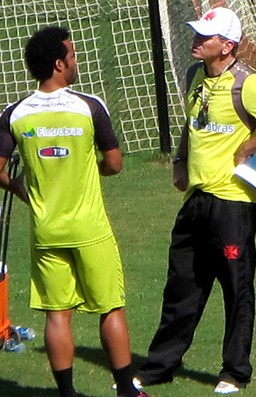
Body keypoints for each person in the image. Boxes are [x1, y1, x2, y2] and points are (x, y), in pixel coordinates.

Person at [135, 6, 256, 395]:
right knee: (181, 284)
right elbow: (192, 124)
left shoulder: (248, 84)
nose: (195, 41)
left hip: (232, 204)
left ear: (227, 46)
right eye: (196, 34)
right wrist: (179, 160)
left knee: (236, 286)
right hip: (197, 198)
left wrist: (248, 146)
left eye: (204, 37)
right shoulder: (195, 76)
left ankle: (234, 372)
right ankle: (160, 366)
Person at [0, 26, 149, 397]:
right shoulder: (88, 106)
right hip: (90, 228)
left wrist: (23, 190)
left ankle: (66, 394)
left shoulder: (15, 114)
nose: (76, 60)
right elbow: (114, 164)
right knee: (111, 308)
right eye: (73, 54)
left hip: (46, 230)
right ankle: (127, 392)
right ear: (58, 64)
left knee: (56, 314)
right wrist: (86, 169)